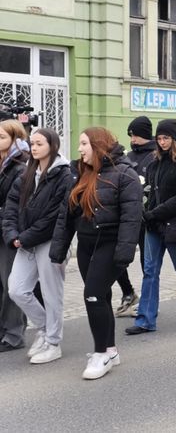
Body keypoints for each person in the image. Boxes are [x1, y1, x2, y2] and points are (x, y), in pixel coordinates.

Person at [50, 127, 142, 379]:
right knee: (101, 296)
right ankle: (111, 350)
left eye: (83, 144)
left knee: (91, 295)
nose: (79, 149)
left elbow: (132, 218)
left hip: (110, 244)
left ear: (98, 145)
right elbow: (66, 216)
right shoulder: (80, 173)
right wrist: (58, 251)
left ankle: (100, 354)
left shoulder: (125, 174)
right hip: (86, 245)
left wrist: (124, 254)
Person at [125, 119, 176, 335]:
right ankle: (145, 320)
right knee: (150, 271)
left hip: (174, 223)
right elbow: (151, 193)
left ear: (174, 139)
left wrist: (153, 213)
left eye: (166, 138)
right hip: (154, 224)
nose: (162, 142)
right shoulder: (154, 164)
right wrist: (146, 212)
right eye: (159, 138)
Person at [4, 128, 70, 364]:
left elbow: (55, 216)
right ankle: (44, 328)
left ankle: (53, 342)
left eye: (39, 143)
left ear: (52, 145)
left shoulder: (64, 174)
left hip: (51, 242)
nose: (33, 147)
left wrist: (26, 237)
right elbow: (12, 205)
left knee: (53, 295)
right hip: (24, 241)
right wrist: (12, 235)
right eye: (32, 143)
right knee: (17, 289)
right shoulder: (27, 172)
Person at [114, 116, 156, 317]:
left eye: (136, 135)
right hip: (126, 216)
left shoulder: (155, 156)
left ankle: (147, 299)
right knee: (117, 257)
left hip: (147, 216)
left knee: (146, 262)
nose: (133, 139)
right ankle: (128, 292)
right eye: (130, 135)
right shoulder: (128, 156)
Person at [0, 120, 30, 352]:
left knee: (10, 284)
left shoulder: (20, 166)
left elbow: (17, 204)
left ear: (15, 139)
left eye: (1, 137)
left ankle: (14, 334)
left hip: (10, 233)